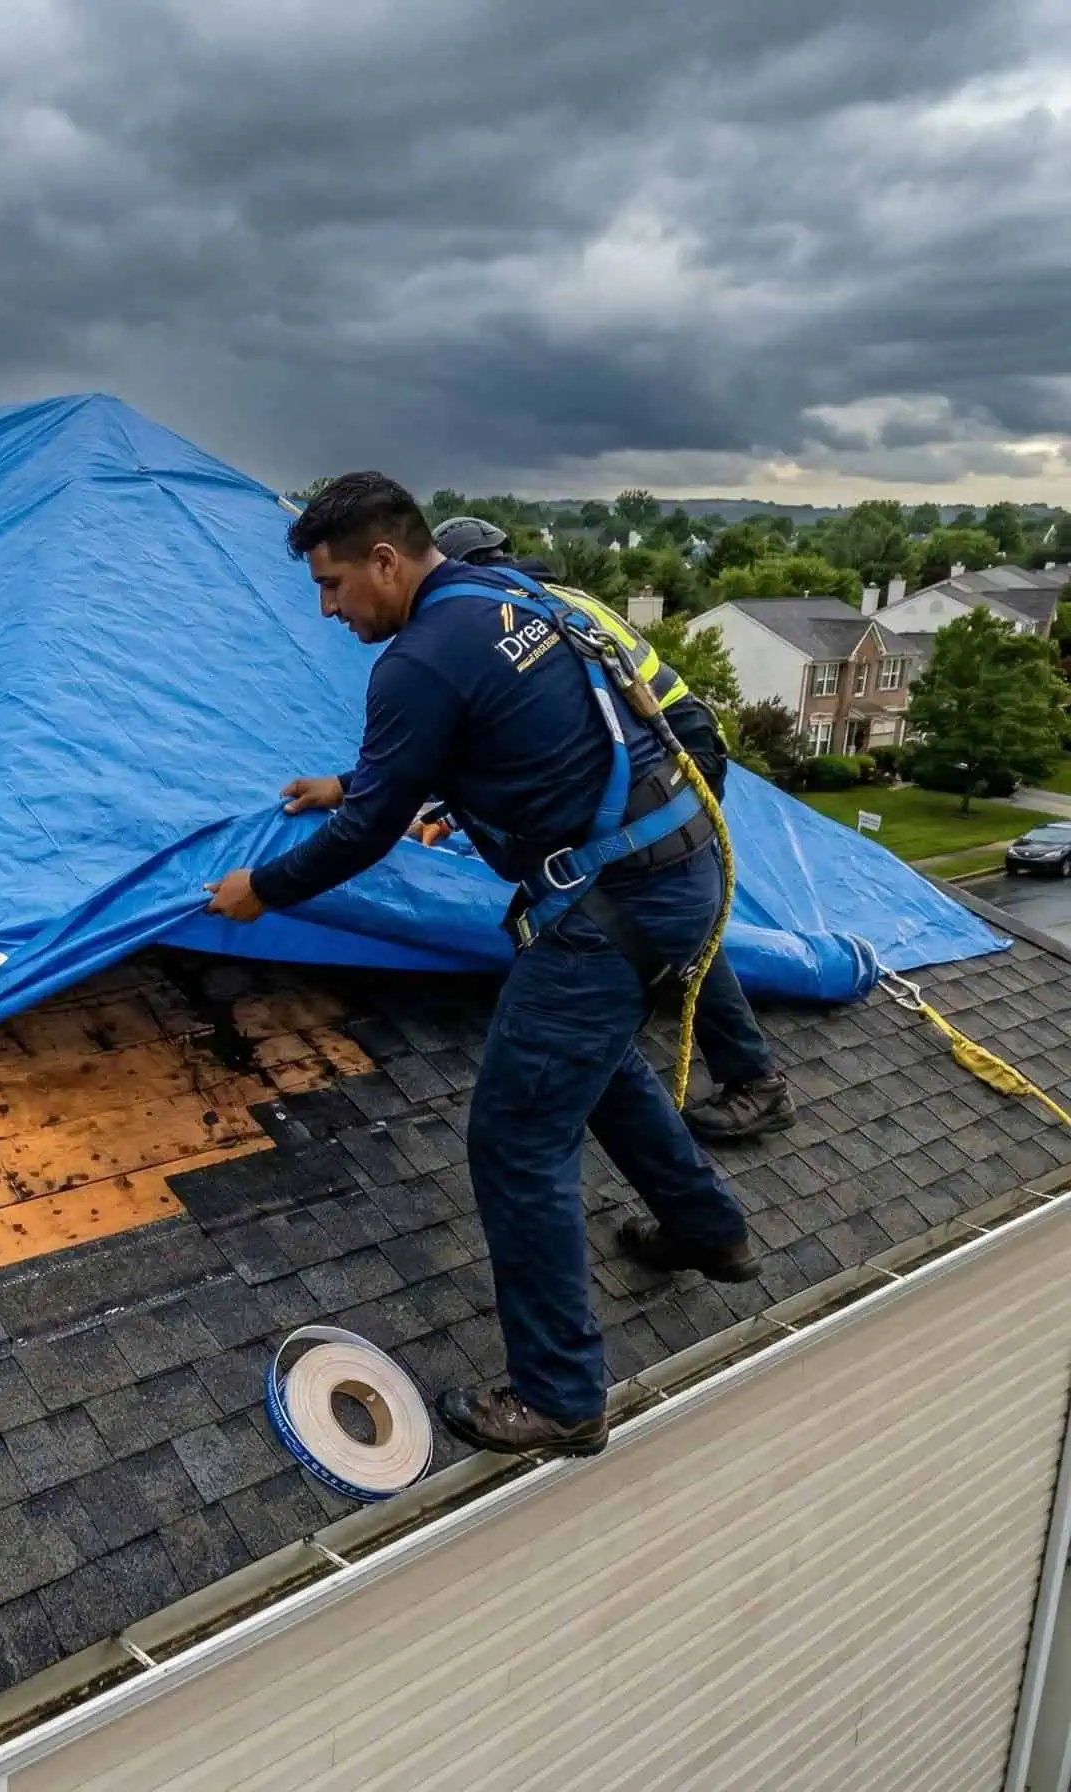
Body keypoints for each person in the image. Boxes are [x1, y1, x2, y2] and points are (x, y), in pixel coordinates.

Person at [208, 475, 758, 1458]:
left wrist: (264, 889)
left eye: (334, 586)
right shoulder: (499, 598)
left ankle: (560, 1392)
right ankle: (708, 1228)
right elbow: (493, 726)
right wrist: (350, 780)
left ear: (386, 560)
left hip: (613, 903)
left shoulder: (418, 661)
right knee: (594, 1067)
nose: (329, 611)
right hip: (677, 867)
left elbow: (367, 835)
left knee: (513, 1135)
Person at [430, 514, 793, 1145]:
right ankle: (742, 1070)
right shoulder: (551, 601)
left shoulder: (517, 619)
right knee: (649, 911)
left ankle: (753, 1079)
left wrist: (417, 804)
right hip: (679, 746)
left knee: (626, 906)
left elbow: (518, 735)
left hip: (671, 758)